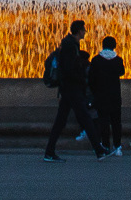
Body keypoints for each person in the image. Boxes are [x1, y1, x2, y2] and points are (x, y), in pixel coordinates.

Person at [43, 20, 108, 161]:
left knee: (61, 121)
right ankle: (99, 150)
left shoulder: (70, 44)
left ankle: (49, 152)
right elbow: (69, 68)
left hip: (68, 89)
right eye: (84, 29)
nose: (85, 32)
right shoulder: (70, 45)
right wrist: (80, 78)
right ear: (79, 31)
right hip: (72, 88)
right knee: (85, 117)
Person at [87, 36, 126, 155]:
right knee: (116, 122)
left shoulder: (96, 60)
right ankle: (117, 146)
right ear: (114, 46)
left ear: (103, 46)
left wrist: (95, 92)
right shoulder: (118, 60)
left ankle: (105, 145)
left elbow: (91, 79)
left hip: (101, 95)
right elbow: (122, 72)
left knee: (103, 121)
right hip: (114, 95)